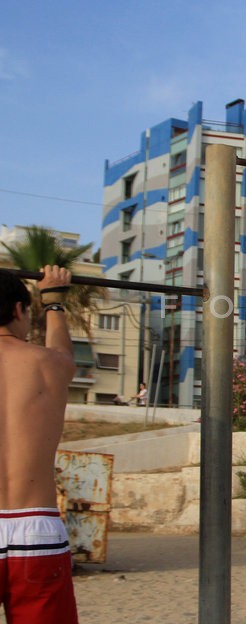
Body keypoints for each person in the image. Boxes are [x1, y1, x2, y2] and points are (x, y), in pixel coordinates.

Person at [0, 265, 79, 623]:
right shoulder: (47, 364)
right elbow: (65, 357)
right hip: (34, 530)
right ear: (19, 310)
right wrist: (54, 301)